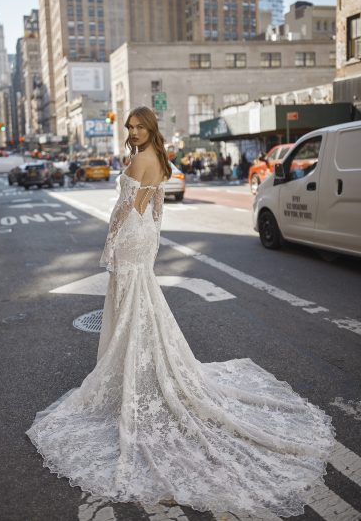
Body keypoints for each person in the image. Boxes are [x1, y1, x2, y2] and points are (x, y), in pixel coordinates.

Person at [26, 106, 334, 518]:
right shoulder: (157, 159)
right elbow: (155, 209)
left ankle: (136, 374)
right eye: (130, 127)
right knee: (141, 307)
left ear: (151, 128)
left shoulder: (140, 159)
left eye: (139, 127)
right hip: (145, 240)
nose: (133, 132)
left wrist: (111, 248)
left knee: (131, 307)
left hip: (130, 241)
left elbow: (125, 211)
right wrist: (149, 241)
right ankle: (143, 368)